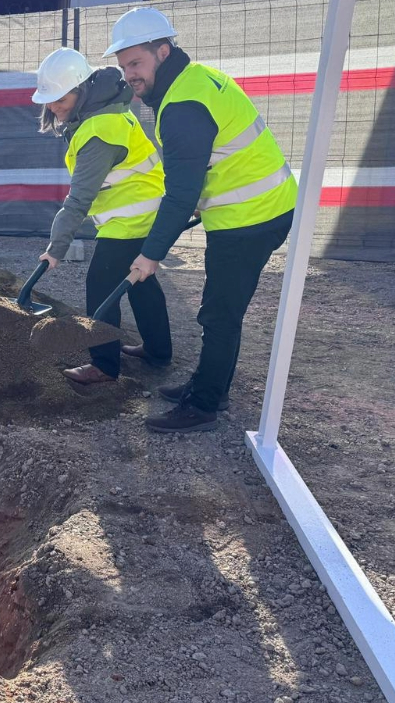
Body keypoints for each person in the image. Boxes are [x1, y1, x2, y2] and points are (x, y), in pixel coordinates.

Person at [106, 7, 298, 433]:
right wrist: (196, 197)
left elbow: (180, 194)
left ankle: (205, 404)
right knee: (220, 309)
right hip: (265, 202)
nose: (130, 75)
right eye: (123, 67)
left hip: (252, 216)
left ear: (162, 50)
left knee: (219, 314)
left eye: (136, 63)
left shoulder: (181, 107)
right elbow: (206, 163)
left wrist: (150, 255)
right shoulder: (195, 79)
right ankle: (211, 383)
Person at [31, 48, 170, 386]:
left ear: (81, 89)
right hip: (147, 210)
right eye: (48, 100)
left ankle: (104, 365)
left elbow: (78, 199)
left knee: (101, 285)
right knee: (141, 282)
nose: (53, 107)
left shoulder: (98, 132)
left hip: (132, 217)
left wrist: (56, 248)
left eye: (59, 98)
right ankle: (158, 351)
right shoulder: (105, 113)